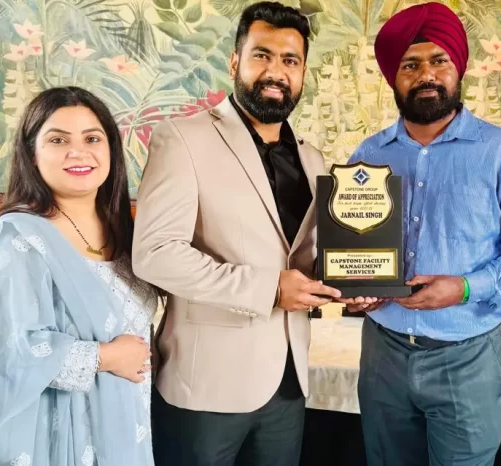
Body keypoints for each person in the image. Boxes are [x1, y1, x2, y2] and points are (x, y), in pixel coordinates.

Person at [342, 3, 501, 465]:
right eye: (410, 65)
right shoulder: (369, 154)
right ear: (393, 77)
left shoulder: (500, 152)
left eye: (438, 61)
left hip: (467, 355)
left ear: (458, 69)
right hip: (382, 352)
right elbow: (354, 245)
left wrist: (463, 287)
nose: (426, 74)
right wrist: (358, 289)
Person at [132, 2, 340, 465]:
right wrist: (269, 290)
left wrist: (353, 282)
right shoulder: (181, 138)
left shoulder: (313, 159)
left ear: (302, 73)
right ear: (234, 62)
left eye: (290, 60)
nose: (276, 72)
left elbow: (302, 260)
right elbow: (155, 253)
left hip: (288, 383)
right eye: (261, 55)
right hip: (205, 386)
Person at [0, 86, 158, 466]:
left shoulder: (127, 232)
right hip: (55, 439)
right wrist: (105, 356)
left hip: (125, 427)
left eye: (92, 138)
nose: (78, 152)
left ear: (111, 150)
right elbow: (5, 351)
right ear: (31, 154)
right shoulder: (17, 238)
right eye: (58, 140)